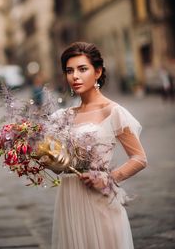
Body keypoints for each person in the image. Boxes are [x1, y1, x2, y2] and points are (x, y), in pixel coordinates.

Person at [49, 41, 148, 249]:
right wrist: (40, 155)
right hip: (69, 200)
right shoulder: (62, 116)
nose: (75, 76)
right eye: (69, 70)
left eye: (82, 69)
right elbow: (56, 164)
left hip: (99, 199)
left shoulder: (112, 111)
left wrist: (108, 178)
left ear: (97, 72)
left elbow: (139, 158)